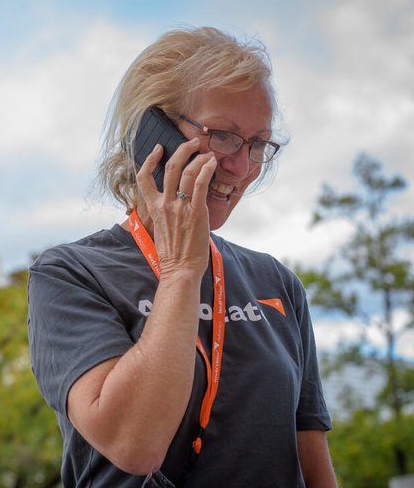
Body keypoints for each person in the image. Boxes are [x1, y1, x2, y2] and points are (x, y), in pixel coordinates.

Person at [27, 27, 337, 487]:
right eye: (224, 136)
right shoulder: (71, 275)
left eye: (258, 145)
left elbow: (312, 467)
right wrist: (180, 273)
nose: (242, 166)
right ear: (150, 135)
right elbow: (135, 444)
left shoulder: (276, 283)